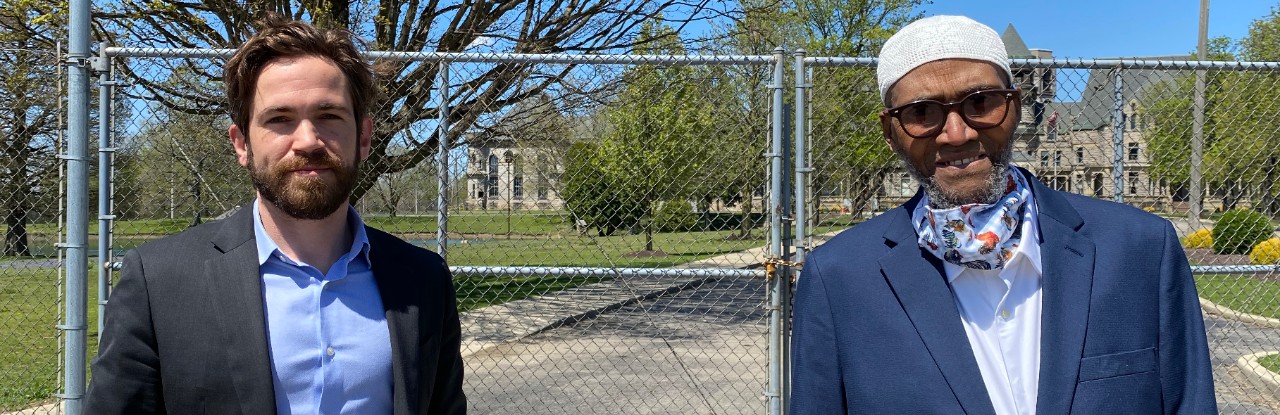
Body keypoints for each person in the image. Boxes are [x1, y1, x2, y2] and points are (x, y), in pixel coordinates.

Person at [789, 15, 1215, 414]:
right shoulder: (839, 279)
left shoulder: (1140, 251)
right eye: (922, 112)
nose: (957, 133)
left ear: (1014, 107)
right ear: (890, 132)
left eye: (982, 102)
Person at [86, 15, 466, 414]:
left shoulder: (424, 280)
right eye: (280, 119)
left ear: (365, 137)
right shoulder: (158, 281)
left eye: (329, 116)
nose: (307, 140)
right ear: (242, 144)